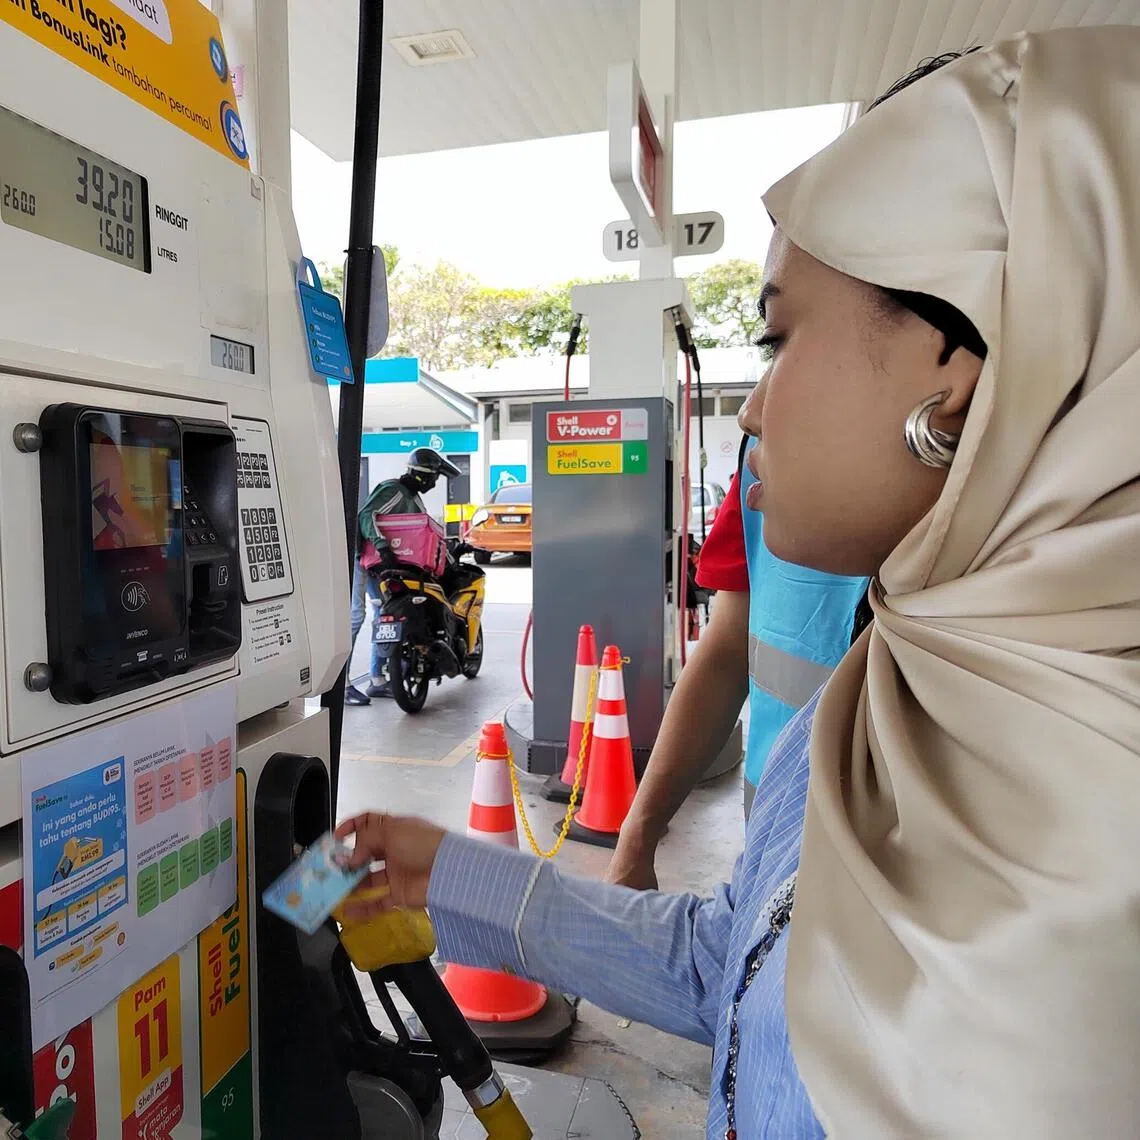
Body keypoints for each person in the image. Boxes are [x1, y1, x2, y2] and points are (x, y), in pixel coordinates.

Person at [337, 30, 1140, 1137]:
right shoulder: (870, 705)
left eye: (778, 338)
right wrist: (450, 876)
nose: (754, 409)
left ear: (955, 371)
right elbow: (740, 965)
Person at [606, 440, 869, 889]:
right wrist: (637, 838)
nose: (750, 413)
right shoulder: (760, 456)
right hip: (771, 841)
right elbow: (726, 654)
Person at [352, 448, 461, 699]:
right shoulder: (394, 490)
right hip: (365, 559)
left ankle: (378, 679)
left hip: (385, 565)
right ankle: (342, 686)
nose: (434, 484)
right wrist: (382, 546)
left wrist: (449, 557)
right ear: (423, 475)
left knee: (385, 615)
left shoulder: (415, 500)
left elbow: (425, 536)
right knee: (357, 616)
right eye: (434, 478)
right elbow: (367, 515)